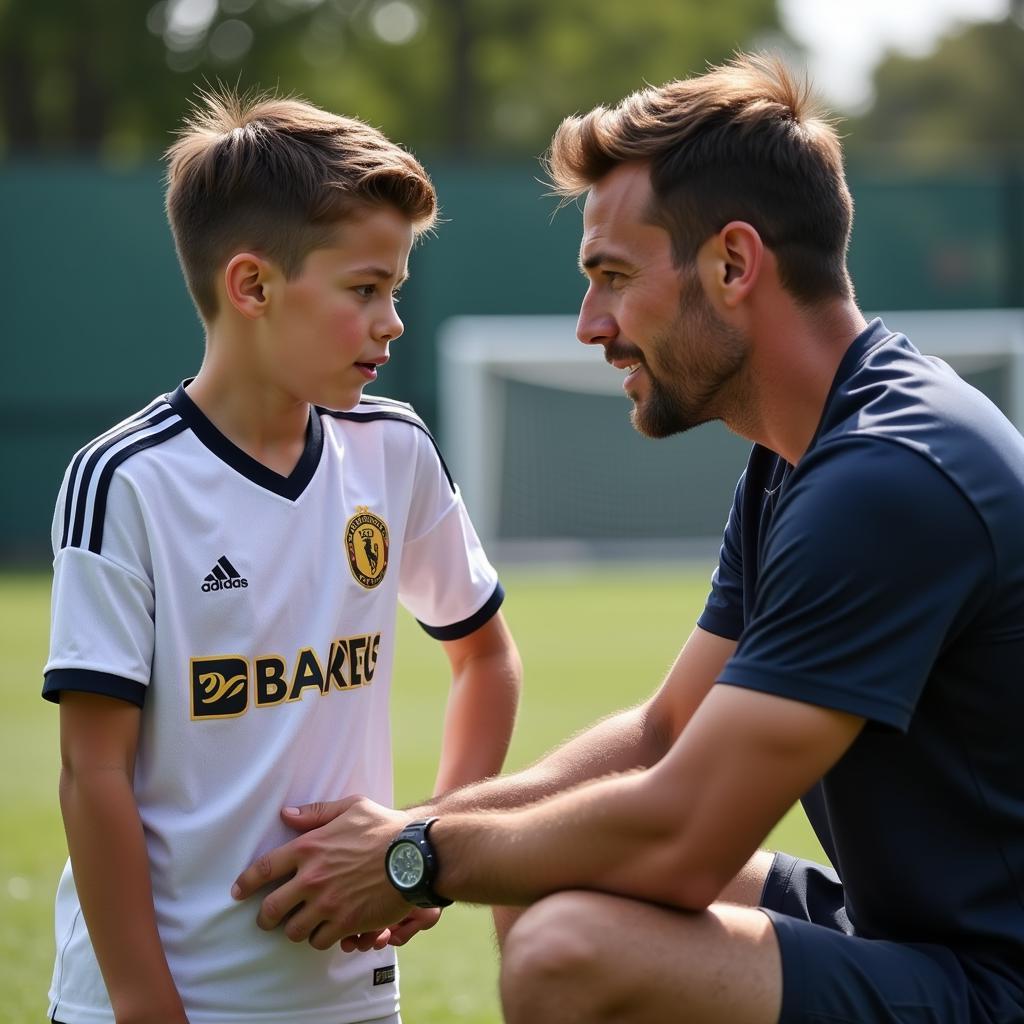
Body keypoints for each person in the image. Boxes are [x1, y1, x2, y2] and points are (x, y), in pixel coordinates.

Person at [230, 53, 1024, 1024]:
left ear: (732, 264)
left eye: (611, 276)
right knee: (534, 867)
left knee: (573, 948)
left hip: (993, 980)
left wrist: (413, 860)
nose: (588, 325)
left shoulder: (889, 475)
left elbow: (683, 836)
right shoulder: (802, 454)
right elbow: (663, 732)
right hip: (906, 934)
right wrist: (425, 829)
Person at [41, 88, 522, 1024]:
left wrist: (428, 847)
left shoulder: (394, 450)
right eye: (364, 290)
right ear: (253, 286)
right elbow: (92, 771)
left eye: (396, 292)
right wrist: (145, 1004)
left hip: (348, 998)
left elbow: (487, 658)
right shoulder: (126, 481)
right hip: (159, 1002)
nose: (391, 323)